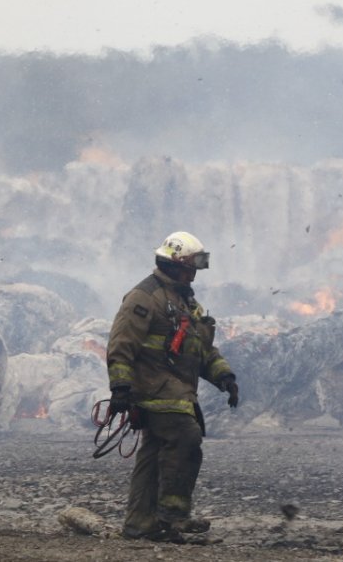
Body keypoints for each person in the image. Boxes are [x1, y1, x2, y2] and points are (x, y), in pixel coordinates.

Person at [106, 231, 239, 543]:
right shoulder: (144, 297)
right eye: (192, 267)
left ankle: (140, 523)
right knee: (185, 437)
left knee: (153, 453)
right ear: (176, 264)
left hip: (175, 389)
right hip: (154, 388)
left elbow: (202, 350)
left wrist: (225, 377)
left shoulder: (186, 302)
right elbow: (121, 344)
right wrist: (120, 387)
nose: (195, 274)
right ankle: (173, 516)